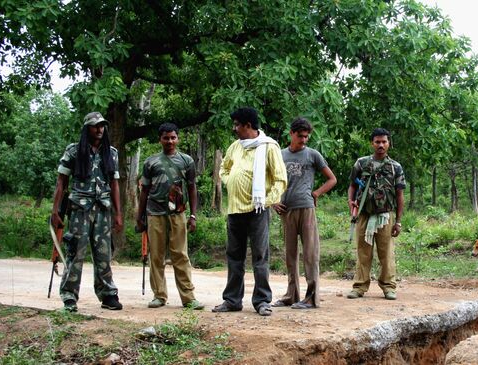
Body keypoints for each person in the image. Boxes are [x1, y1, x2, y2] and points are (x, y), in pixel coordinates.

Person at [212, 107, 287, 316]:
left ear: (248, 125)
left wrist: (267, 200)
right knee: (234, 256)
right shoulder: (235, 147)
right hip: (234, 210)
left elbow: (280, 179)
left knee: (260, 256)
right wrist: (229, 181)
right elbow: (223, 169)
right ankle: (232, 300)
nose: (234, 129)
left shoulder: (269, 147)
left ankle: (262, 301)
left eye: (237, 125)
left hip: (258, 211)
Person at [50, 112, 123, 312]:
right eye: (95, 126)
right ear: (87, 128)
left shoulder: (112, 152)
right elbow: (61, 182)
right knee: (76, 252)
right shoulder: (74, 151)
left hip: (103, 209)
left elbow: (115, 183)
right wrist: (55, 210)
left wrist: (118, 214)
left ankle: (108, 295)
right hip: (79, 209)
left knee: (104, 254)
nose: (99, 129)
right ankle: (69, 297)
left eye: (102, 126)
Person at [136, 123, 204, 310]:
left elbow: (191, 188)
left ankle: (188, 297)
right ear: (160, 139)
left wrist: (193, 215)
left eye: (173, 137)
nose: (170, 141)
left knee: (180, 255)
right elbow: (144, 191)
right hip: (154, 213)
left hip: (178, 213)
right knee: (156, 256)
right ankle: (159, 295)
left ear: (177, 138)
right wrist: (139, 216)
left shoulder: (186, 161)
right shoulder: (150, 162)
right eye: (166, 138)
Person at [271, 118, 337, 309]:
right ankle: (291, 295)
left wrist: (316, 193)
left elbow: (332, 179)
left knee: (310, 253)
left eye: (307, 137)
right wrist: (274, 201)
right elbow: (270, 180)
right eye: (300, 136)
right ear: (291, 133)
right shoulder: (280, 155)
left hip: (306, 208)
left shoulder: (312, 155)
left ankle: (311, 297)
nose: (304, 140)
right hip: (287, 210)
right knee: (290, 255)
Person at [347, 128, 405, 300]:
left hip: (385, 216)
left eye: (384, 142)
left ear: (389, 143)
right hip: (364, 214)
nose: (381, 145)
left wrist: (399, 221)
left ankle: (388, 287)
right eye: (377, 142)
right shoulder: (362, 163)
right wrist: (351, 205)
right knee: (363, 252)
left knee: (386, 253)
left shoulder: (395, 167)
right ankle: (359, 287)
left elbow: (400, 194)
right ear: (372, 143)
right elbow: (352, 185)